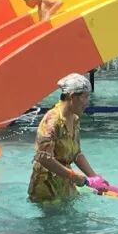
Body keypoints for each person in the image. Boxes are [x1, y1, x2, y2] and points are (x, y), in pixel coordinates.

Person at [28, 73, 109, 202]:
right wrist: (74, 176)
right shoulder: (52, 122)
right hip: (46, 187)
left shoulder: (74, 118)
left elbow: (76, 153)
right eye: (85, 97)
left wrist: (94, 177)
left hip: (66, 182)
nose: (88, 102)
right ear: (72, 96)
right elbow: (43, 158)